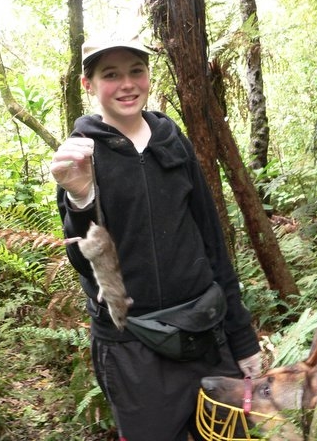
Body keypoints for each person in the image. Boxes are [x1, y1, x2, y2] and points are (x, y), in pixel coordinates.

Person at [50, 34, 261, 441]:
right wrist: (79, 195)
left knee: (228, 434)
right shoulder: (79, 155)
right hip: (134, 346)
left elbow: (212, 242)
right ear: (87, 84)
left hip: (206, 333)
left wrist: (243, 340)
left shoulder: (172, 140)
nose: (127, 84)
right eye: (111, 74)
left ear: (148, 76)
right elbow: (85, 264)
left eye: (136, 71)